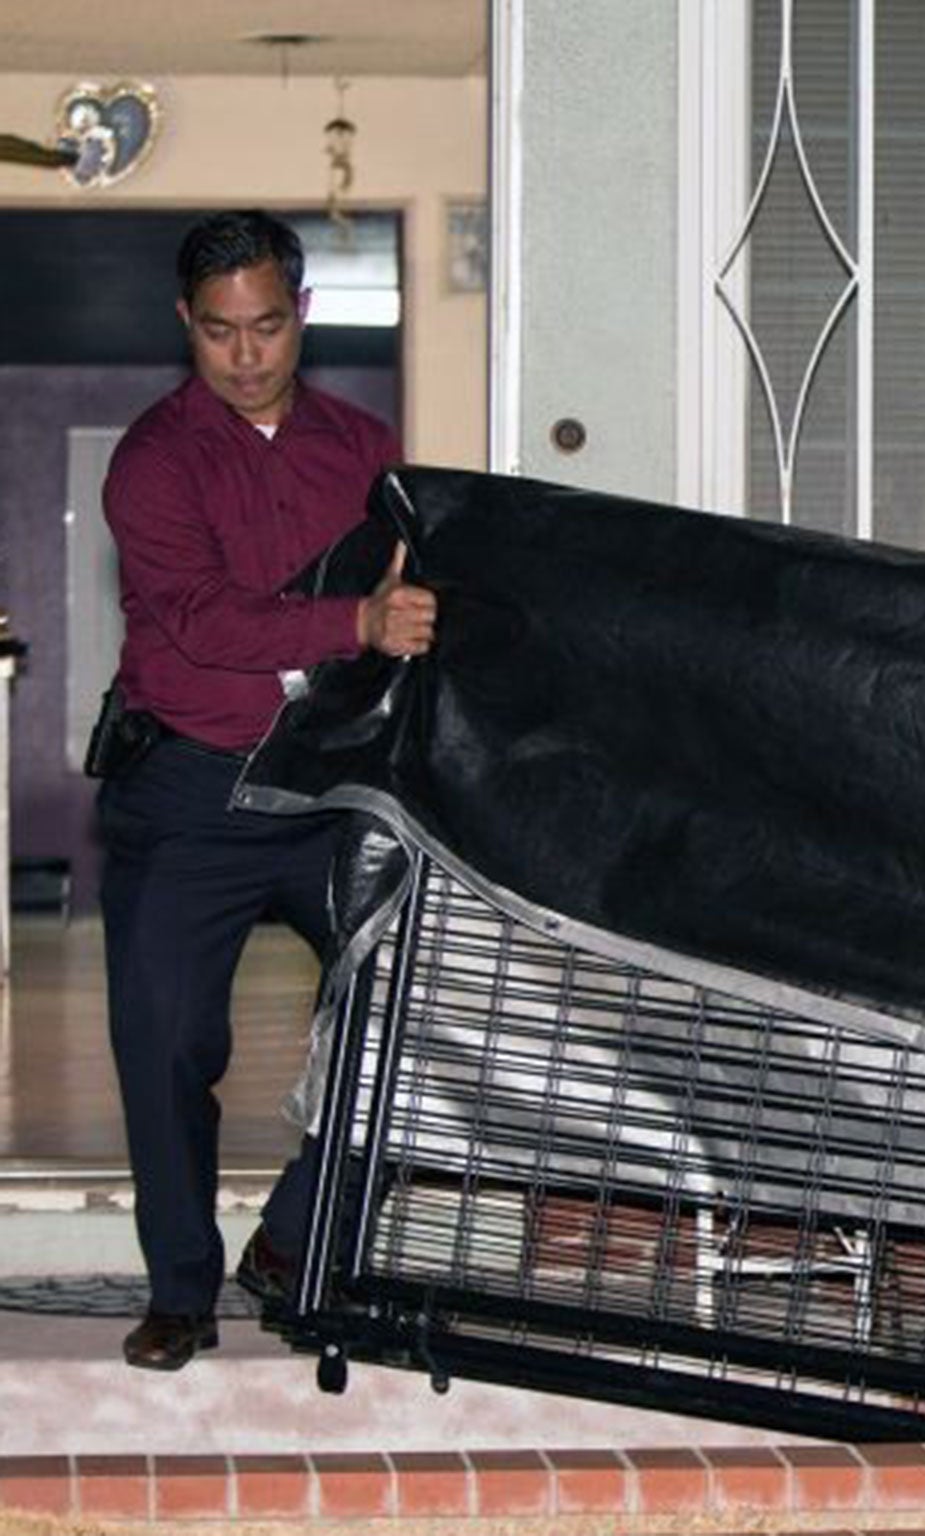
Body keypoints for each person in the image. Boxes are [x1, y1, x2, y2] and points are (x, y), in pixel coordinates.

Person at [98, 209, 437, 1371]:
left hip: (325, 793)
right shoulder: (152, 459)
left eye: (267, 327)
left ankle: (293, 1242)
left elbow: (409, 588)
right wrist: (355, 623)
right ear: (185, 327)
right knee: (164, 1042)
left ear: (302, 314)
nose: (245, 355)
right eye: (218, 333)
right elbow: (197, 621)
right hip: (189, 792)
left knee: (413, 1013)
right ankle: (179, 1291)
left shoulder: (362, 445)